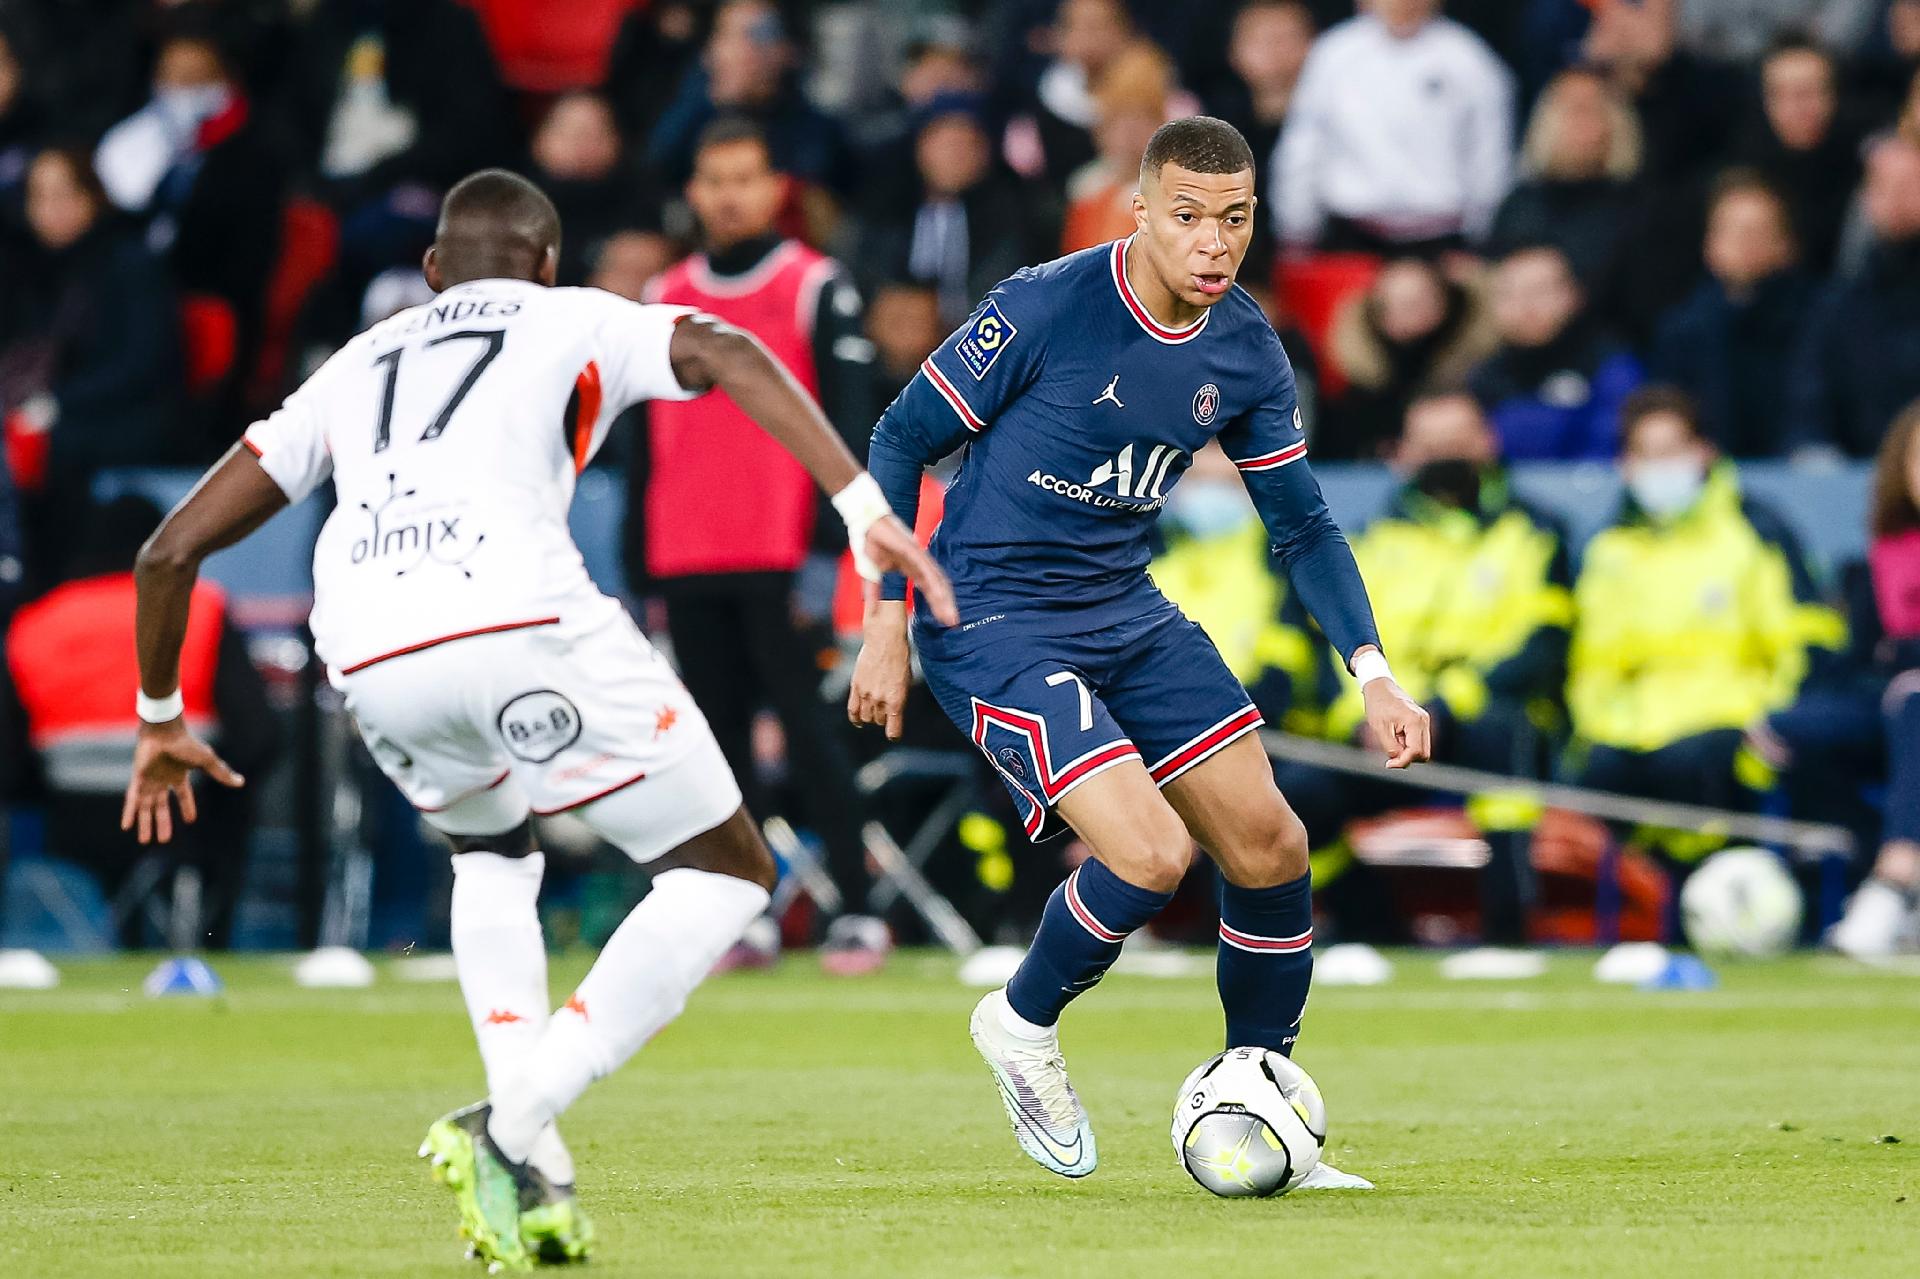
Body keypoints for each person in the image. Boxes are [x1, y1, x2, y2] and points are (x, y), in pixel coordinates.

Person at [118, 169, 952, 1269]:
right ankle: (511, 1122)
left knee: (491, 854)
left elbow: (167, 550)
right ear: (547, 261)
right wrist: (862, 508)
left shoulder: (355, 363)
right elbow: (729, 352)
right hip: (513, 614)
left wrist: (161, 715)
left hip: (366, 646)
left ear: (429, 273)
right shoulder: (570, 315)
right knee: (726, 873)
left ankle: (532, 1165)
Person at [850, 117, 1428, 1187]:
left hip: (1122, 605)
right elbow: (897, 438)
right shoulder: (1046, 303)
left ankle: (1258, 1104)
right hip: (989, 613)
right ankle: (1021, 1023)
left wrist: (1374, 672)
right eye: (1190, 217)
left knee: (1270, 846)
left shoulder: (1246, 346)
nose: (1214, 243)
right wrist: (885, 614)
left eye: (1236, 220)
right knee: (1151, 857)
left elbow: (1301, 524)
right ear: (1143, 212)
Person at [637, 117, 888, 961]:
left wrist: (829, 544)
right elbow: (641, 436)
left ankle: (856, 904)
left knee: (812, 738)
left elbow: (850, 422)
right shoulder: (661, 294)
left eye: (745, 177)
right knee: (716, 748)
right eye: (714, 179)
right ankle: (742, 914)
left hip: (783, 552)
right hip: (685, 552)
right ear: (693, 193)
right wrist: (640, 554)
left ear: (777, 186)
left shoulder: (815, 284)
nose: (729, 195)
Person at [1278, 388, 1570, 944]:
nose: (1445, 457)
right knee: (1299, 791)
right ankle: (1368, 923)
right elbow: (1332, 644)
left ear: (1488, 443)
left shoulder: (1535, 532)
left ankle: (1509, 931)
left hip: (1478, 718)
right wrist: (1364, 714)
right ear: (1402, 452)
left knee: (1501, 742)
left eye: (1457, 443)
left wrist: (1446, 705)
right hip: (1377, 728)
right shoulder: (1364, 541)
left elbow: (1541, 645)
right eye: (1430, 445)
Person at [1568, 387, 1843, 871]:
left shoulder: (1755, 531)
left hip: (1734, 718)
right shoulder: (1608, 549)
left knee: (1694, 764)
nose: (1660, 467)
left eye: (1672, 451)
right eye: (1646, 454)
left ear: (1704, 452)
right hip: (1633, 727)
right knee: (1599, 769)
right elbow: (1592, 666)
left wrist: (1772, 715)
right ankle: (1633, 908)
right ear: (1625, 464)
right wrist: (1598, 728)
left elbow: (1800, 638)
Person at [0, 496, 279, 955]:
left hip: (72, 825)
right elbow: (258, 734)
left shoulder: (36, 622)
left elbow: (10, 760)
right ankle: (209, 944)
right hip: (184, 817)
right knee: (230, 802)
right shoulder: (200, 606)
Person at [2, 148, 182, 588]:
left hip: (137, 415)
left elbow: (142, 364)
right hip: (66, 411)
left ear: (92, 197)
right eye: (39, 197)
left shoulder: (131, 262)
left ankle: (44, 582)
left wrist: (57, 404)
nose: (50, 211)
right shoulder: (39, 269)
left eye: (62, 195)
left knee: (55, 450)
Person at [1778, 402, 1920, 957]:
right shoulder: (1877, 562)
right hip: (1893, 714)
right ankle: (1881, 879)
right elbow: (1859, 668)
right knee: (1798, 733)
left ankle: (1895, 879)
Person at [1273, 0, 1513, 254]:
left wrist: (1480, 241)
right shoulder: (1334, 54)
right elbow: (1304, 147)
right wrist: (1297, 232)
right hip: (1351, 236)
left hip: (1442, 238)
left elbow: (1490, 159)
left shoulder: (1470, 59)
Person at [1651, 172, 1815, 458]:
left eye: (1758, 231)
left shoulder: (1818, 320)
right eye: (1733, 231)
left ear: (1786, 244)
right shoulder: (1683, 329)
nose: (1745, 243)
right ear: (1709, 244)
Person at [1791, 135, 1920, 458]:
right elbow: (1811, 404)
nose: (1894, 198)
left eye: (1909, 184)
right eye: (1881, 185)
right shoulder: (1837, 305)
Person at [1469, 243, 1643, 460]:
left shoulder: (1611, 366)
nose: (1524, 305)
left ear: (1574, 295)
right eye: (1508, 293)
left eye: (1539, 291)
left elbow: (1612, 448)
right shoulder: (1483, 375)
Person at [1484, 66, 1642, 294]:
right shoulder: (1519, 205)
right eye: (1570, 108)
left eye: (1594, 107)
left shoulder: (1642, 207)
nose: (1581, 120)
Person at [1324, 255, 1498, 460]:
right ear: (1376, 314)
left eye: (1421, 300)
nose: (1412, 313)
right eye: (1399, 304)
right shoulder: (1361, 393)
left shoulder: (1482, 371)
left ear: (1446, 300)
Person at [1727, 35, 1860, 276]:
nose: (1795, 107)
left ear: (1833, 96)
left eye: (1807, 92)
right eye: (1780, 94)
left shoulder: (1864, 165)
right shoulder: (1746, 171)